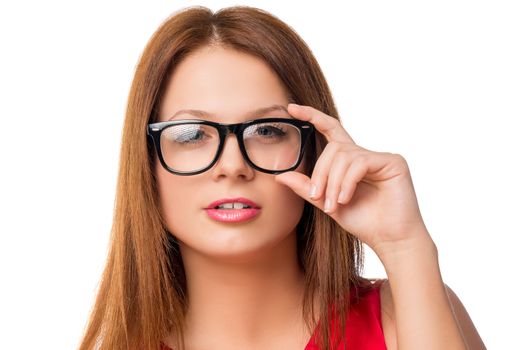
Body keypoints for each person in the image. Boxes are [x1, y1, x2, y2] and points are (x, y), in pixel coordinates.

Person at [79, 5, 486, 350]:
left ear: (315, 152)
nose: (233, 165)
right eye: (191, 135)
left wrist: (406, 247)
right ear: (146, 163)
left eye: (267, 131)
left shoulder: (407, 315)